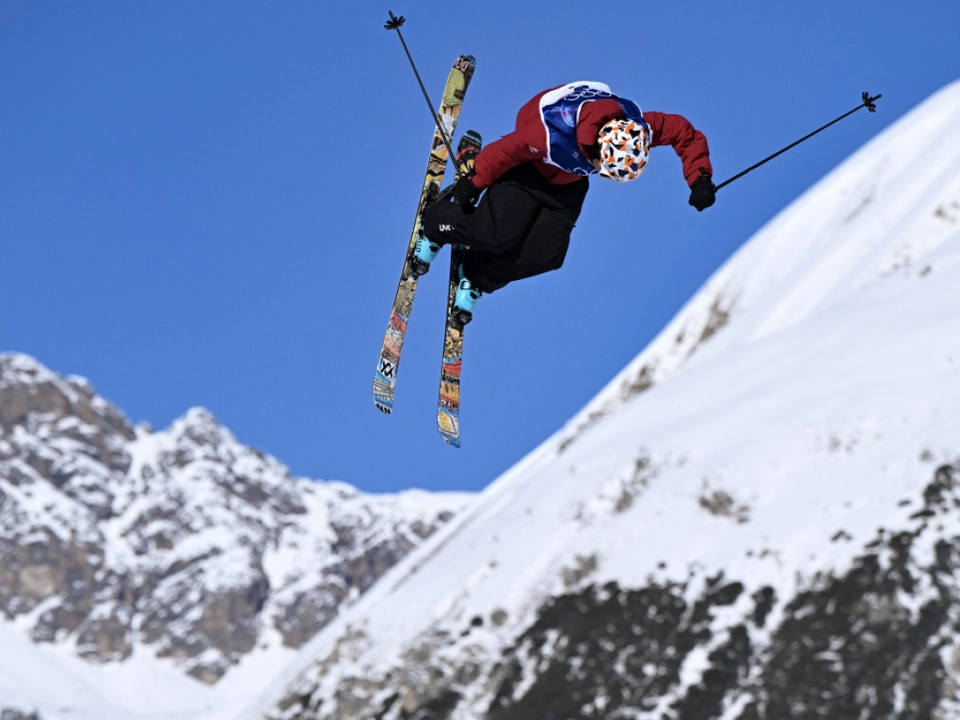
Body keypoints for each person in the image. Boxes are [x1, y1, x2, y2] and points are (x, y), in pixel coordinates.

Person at [416, 81, 716, 317]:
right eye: (608, 173)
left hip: (568, 184)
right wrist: (473, 184)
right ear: (599, 152)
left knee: (546, 256)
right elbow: (509, 149)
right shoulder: (553, 134)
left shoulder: (634, 129)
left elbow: (683, 133)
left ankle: (476, 273)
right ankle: (436, 224)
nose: (607, 179)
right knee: (496, 234)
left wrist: (700, 178)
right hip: (530, 168)